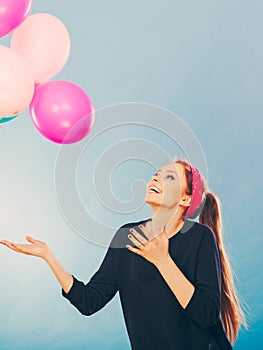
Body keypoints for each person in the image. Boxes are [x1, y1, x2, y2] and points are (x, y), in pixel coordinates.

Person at [0, 159, 246, 350]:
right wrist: (47, 255)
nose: (156, 179)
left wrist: (162, 260)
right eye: (156, 174)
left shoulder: (199, 237)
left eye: (169, 177)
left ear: (185, 198)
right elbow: (89, 301)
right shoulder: (125, 236)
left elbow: (206, 315)